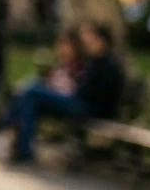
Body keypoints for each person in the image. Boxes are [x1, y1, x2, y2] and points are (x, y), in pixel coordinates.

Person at [7, 22, 125, 165]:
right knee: (29, 97)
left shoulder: (109, 65)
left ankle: (17, 141)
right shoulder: (95, 61)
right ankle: (22, 148)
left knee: (32, 93)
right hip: (80, 103)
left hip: (91, 108)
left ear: (102, 41)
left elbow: (100, 94)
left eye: (92, 40)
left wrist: (79, 89)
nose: (89, 44)